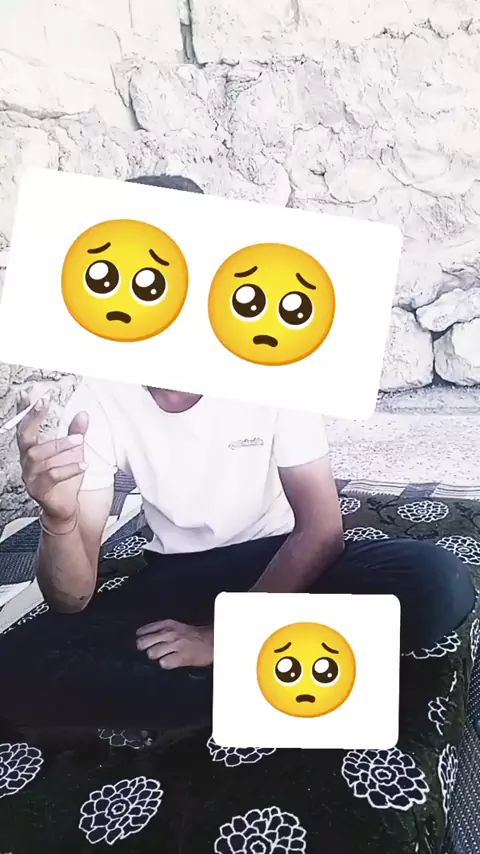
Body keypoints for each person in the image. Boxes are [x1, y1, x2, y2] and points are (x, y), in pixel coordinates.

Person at [0, 174, 475, 731]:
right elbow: (72, 600)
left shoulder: (270, 361)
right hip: (178, 579)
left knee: (438, 583)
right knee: (16, 667)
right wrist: (57, 519)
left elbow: (321, 530)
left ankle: (228, 679)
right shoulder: (99, 394)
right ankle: (305, 678)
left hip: (281, 563)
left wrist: (225, 636)